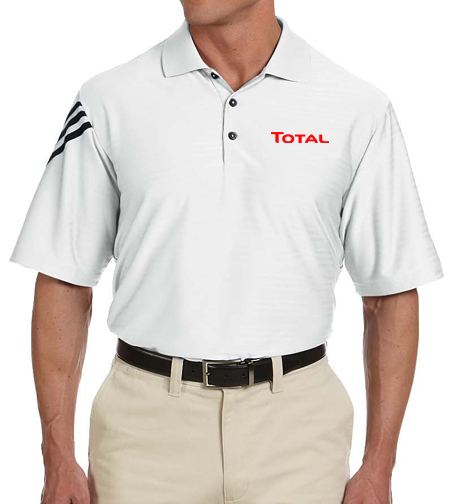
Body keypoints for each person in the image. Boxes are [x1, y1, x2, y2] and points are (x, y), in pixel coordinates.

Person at [10, 1, 444, 503]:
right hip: (143, 432)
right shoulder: (109, 99)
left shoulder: (357, 108)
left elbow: (390, 294)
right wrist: (57, 454)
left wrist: (379, 465)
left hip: (300, 434)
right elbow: (64, 278)